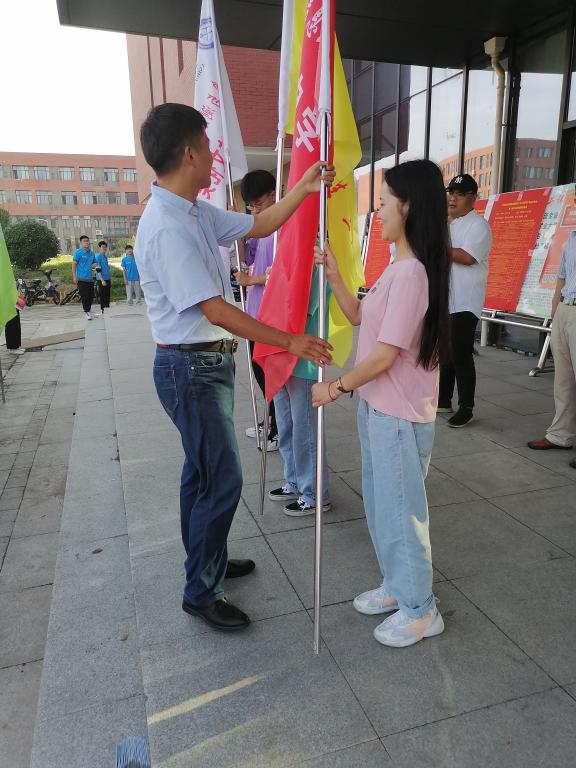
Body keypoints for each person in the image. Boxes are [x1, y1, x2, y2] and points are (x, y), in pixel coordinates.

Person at [135, 102, 333, 633]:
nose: (213, 156)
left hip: (203, 365)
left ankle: (209, 561)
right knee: (221, 479)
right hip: (188, 368)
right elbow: (216, 310)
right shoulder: (166, 226)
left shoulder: (194, 210)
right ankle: (201, 590)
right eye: (207, 145)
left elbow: (260, 222)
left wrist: (304, 185)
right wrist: (290, 340)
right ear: (188, 153)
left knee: (201, 474)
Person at [312, 159, 451, 648]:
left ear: (408, 207)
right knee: (382, 508)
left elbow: (385, 355)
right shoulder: (397, 268)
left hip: (397, 417)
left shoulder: (412, 274)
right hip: (379, 410)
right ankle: (398, 585)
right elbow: (358, 315)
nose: (378, 212)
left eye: (384, 202)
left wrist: (335, 388)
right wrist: (333, 273)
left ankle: (420, 610)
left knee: (399, 514)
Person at [267, 266, 332, 517]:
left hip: (304, 360)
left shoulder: (315, 264)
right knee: (286, 426)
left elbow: (301, 308)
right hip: (281, 355)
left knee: (305, 431)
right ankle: (294, 480)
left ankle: (314, 493)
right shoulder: (287, 259)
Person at [438, 174, 492, 427]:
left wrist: (434, 246)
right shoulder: (447, 224)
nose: (453, 198)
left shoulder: (478, 226)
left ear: (473, 197)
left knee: (461, 353)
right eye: (451, 192)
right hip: (446, 299)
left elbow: (467, 257)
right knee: (444, 352)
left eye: (459, 194)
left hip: (465, 301)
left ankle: (466, 406)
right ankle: (443, 400)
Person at [527, 228, 576, 470]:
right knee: (563, 380)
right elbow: (562, 278)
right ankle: (560, 434)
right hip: (566, 309)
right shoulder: (572, 239)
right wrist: (556, 311)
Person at [237, 169, 278, 452]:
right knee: (258, 369)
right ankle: (272, 420)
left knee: (270, 373)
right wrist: (239, 232)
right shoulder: (260, 228)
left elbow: (281, 273)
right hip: (254, 311)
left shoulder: (281, 228)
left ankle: (278, 428)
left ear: (273, 195)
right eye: (251, 206)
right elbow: (247, 256)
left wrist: (251, 280)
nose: (256, 210)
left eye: (260, 204)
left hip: (272, 315)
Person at [72, 235, 97, 320]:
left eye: (87, 240)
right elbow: (74, 264)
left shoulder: (91, 253)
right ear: (81, 243)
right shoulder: (78, 252)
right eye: (85, 241)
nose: (87, 242)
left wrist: (94, 265)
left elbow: (95, 263)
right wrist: (74, 276)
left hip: (90, 278)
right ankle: (86, 312)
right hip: (81, 279)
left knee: (90, 296)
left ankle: (89, 310)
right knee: (85, 296)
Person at [95, 240, 111, 313]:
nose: (104, 248)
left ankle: (107, 309)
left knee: (107, 295)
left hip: (107, 279)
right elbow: (98, 270)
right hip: (101, 280)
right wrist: (102, 280)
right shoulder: (98, 257)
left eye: (105, 247)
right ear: (100, 248)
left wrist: (110, 278)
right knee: (103, 295)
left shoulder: (105, 257)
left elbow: (107, 269)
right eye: (102, 247)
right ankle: (103, 310)